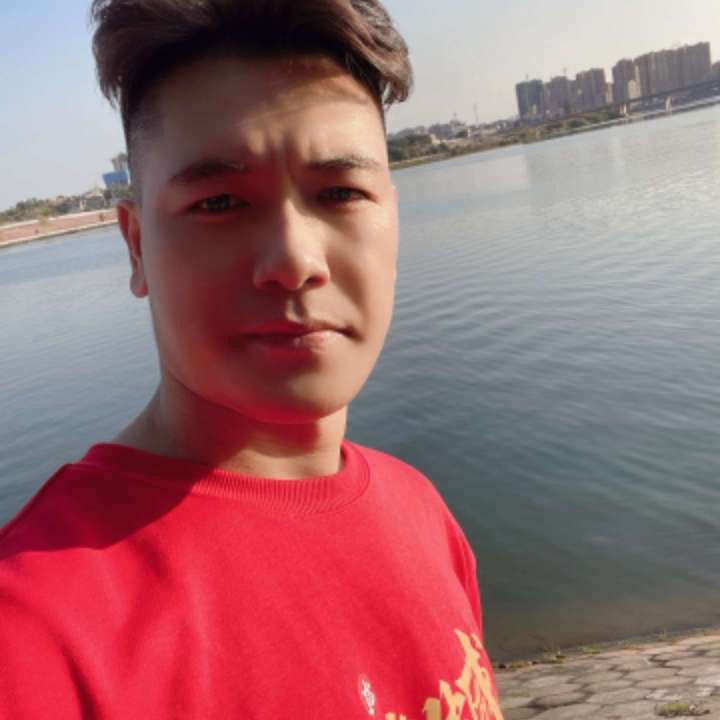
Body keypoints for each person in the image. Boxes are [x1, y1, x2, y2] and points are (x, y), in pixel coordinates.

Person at [0, 1, 504, 718]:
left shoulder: (422, 513)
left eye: (341, 193)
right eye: (219, 203)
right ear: (136, 246)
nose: (295, 261)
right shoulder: (34, 633)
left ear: (393, 217)